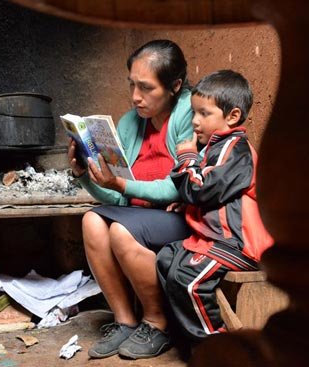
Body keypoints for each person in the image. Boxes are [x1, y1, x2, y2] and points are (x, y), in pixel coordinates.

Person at [67, 39, 194, 359]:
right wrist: (84, 174)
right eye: (132, 85)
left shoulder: (189, 114)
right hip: (142, 215)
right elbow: (116, 196)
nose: (136, 96)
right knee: (92, 220)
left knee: (122, 232)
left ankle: (157, 323)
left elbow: (179, 187)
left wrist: (121, 184)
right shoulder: (128, 123)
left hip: (182, 214)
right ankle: (125, 321)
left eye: (147, 88)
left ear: (175, 86)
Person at [156, 69, 274, 342]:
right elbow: (216, 196)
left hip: (236, 244)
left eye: (204, 114)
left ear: (232, 116)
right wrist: (186, 206)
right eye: (193, 113)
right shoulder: (215, 148)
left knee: (190, 280)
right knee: (165, 259)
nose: (195, 121)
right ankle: (185, 338)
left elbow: (202, 189)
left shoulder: (237, 149)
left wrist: (185, 158)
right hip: (212, 239)